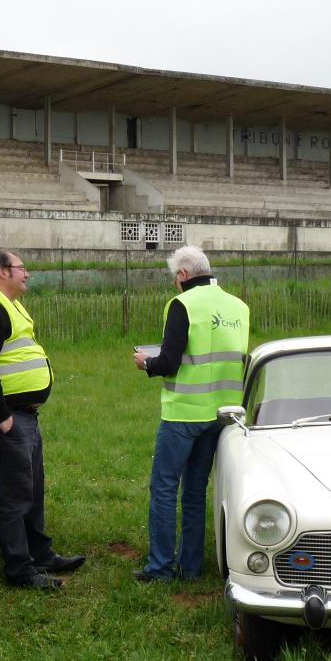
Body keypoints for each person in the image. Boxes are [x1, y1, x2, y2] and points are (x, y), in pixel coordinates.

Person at [0, 249, 85, 589]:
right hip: (8, 419)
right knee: (14, 495)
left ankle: (40, 553)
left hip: (24, 416)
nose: (27, 274)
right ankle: (20, 570)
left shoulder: (9, 304)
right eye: (21, 268)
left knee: (31, 488)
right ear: (3, 271)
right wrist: (3, 418)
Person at [133, 245, 250, 582]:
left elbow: (169, 362)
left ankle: (160, 568)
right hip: (222, 415)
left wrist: (146, 363)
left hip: (183, 414)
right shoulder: (239, 307)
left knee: (165, 488)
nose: (174, 284)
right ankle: (192, 567)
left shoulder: (182, 305)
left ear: (183, 275)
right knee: (196, 492)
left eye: (175, 278)